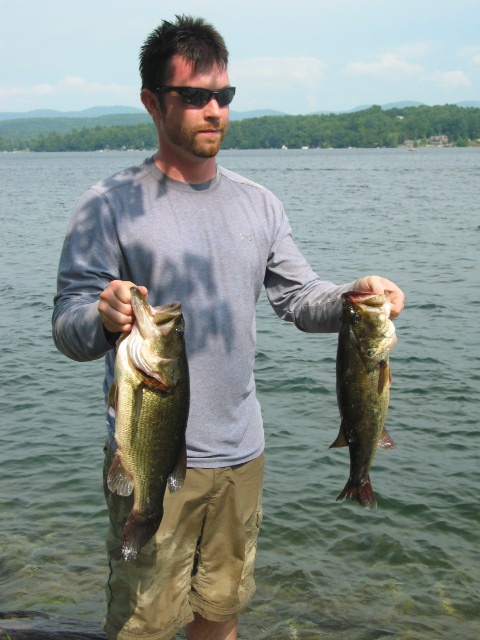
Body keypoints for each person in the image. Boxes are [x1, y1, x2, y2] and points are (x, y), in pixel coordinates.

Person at [52, 15, 405, 640]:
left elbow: (301, 298)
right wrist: (103, 317)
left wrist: (356, 295)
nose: (213, 110)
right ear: (152, 103)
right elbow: (68, 326)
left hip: (244, 454)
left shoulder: (259, 203)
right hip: (151, 457)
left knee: (221, 614)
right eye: (194, 97)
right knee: (144, 626)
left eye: (224, 96)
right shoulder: (108, 204)